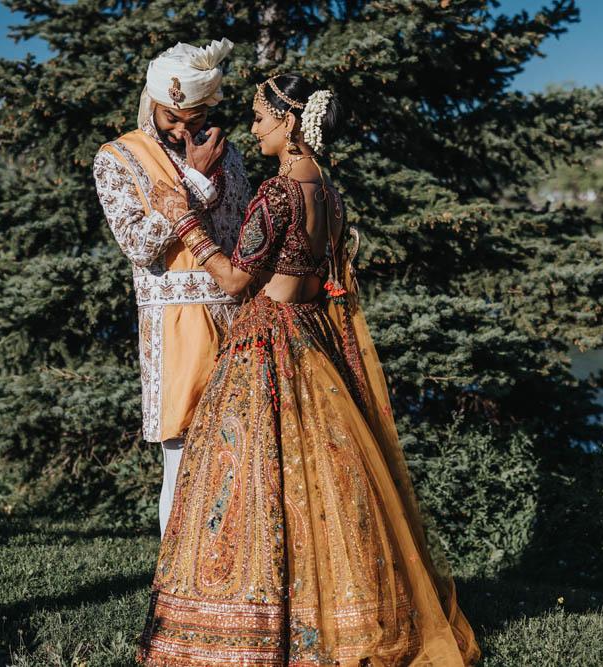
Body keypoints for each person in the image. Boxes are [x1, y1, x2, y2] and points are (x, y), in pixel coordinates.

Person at [135, 73, 481, 666]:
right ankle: (343, 612)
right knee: (321, 483)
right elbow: (325, 280)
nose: (251, 127)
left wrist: (185, 218)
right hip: (314, 337)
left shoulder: (276, 193)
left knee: (254, 480)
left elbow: (240, 279)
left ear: (289, 123)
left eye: (260, 118)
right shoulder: (330, 193)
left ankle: (253, 624)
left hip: (267, 342)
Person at [92, 38, 252, 538]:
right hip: (176, 325)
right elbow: (139, 244)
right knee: (182, 461)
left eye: (196, 115)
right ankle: (176, 589)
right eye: (171, 116)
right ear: (151, 102)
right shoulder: (118, 158)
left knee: (244, 455)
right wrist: (197, 185)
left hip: (241, 315)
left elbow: (246, 232)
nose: (184, 128)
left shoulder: (231, 154)